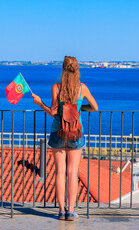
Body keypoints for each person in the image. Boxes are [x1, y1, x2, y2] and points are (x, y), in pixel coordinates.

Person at [32, 56, 98, 221]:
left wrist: (40, 103)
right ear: (77, 70)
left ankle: (61, 211)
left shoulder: (56, 88)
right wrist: (79, 107)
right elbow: (95, 107)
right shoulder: (82, 88)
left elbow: (54, 113)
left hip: (58, 132)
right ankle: (71, 210)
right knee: (72, 173)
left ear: (63, 70)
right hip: (76, 134)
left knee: (60, 172)